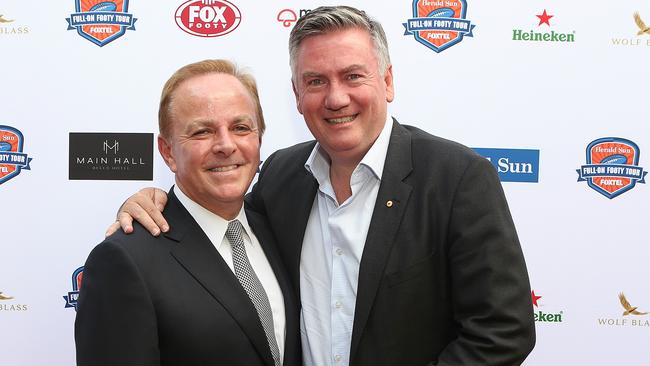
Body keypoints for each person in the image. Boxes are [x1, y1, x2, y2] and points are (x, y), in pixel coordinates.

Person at [109, 6, 536, 366]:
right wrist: (153, 198)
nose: (335, 98)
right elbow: (215, 219)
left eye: (353, 76)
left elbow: (503, 331)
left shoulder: (456, 177)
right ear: (296, 95)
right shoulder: (281, 176)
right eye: (316, 81)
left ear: (387, 82)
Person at [76, 59, 300, 366]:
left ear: (259, 138)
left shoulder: (278, 225)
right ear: (168, 152)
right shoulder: (125, 261)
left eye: (240, 127)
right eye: (202, 132)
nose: (225, 145)